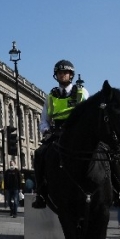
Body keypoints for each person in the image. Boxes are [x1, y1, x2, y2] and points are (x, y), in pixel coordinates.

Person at [34, 60, 104, 208]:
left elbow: (90, 113)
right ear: (56, 76)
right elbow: (44, 119)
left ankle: (119, 190)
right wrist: (46, 131)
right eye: (59, 73)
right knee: (40, 154)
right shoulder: (51, 96)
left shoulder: (81, 92)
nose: (62, 75)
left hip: (77, 130)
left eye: (65, 73)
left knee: (104, 150)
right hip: (58, 132)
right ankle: (40, 193)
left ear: (70, 75)